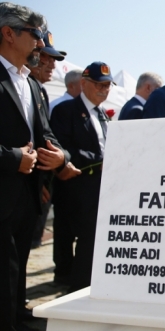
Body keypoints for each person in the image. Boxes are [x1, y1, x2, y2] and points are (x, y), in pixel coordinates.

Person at [0, 2, 67, 331]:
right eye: (36, 34)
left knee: (18, 269)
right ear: (8, 34)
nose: (41, 43)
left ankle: (18, 318)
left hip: (27, 198)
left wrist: (61, 157)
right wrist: (14, 158)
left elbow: (47, 135)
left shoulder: (33, 85)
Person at [50, 62, 114, 292]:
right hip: (77, 188)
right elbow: (63, 148)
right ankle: (77, 290)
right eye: (99, 84)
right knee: (85, 245)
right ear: (84, 83)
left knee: (94, 244)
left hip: (100, 189)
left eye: (107, 85)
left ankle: (88, 288)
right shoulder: (65, 110)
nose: (104, 90)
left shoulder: (102, 115)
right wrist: (100, 159)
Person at [30, 31, 67, 249]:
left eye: (53, 59)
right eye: (45, 56)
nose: (52, 64)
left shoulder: (39, 90)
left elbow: (45, 139)